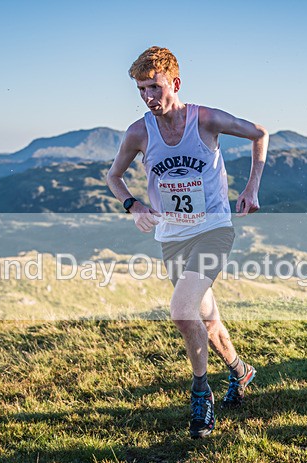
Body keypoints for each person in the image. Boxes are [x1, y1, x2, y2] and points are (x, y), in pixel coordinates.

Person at [106, 46, 268, 438]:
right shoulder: (139, 132)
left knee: (181, 311)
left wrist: (251, 187)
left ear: (174, 83)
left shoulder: (206, 120)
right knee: (207, 321)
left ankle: (201, 393)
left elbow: (259, 134)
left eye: (155, 87)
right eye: (141, 89)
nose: (148, 97)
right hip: (172, 239)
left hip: (214, 230)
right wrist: (133, 205)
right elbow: (114, 177)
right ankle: (241, 372)